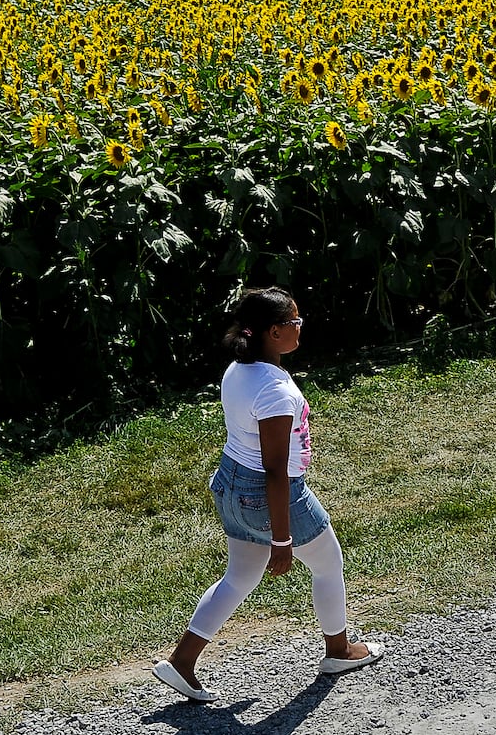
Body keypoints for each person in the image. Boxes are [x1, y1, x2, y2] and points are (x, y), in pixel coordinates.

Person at [153, 287, 382, 702]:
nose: (300, 328)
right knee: (329, 563)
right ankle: (339, 651)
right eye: (295, 322)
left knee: (239, 577)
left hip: (230, 484)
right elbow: (275, 470)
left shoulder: (238, 370)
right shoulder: (274, 391)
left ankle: (181, 662)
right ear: (274, 332)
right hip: (270, 494)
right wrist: (281, 539)